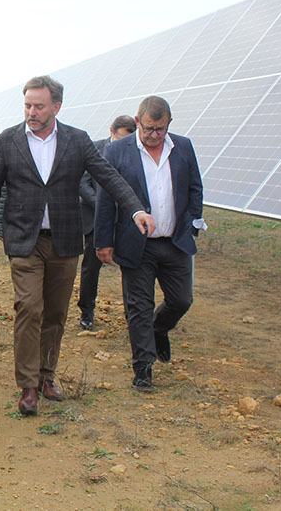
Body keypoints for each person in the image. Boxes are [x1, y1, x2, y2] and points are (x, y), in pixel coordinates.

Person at [0, 75, 154, 416]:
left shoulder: (77, 140)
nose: (31, 111)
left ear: (56, 106)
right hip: (24, 240)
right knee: (29, 308)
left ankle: (46, 375)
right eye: (27, 105)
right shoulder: (8, 139)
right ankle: (28, 386)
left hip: (65, 241)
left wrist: (135, 209)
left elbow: (108, 177)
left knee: (56, 313)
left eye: (39, 106)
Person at [95, 96, 204, 392]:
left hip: (175, 242)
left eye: (160, 129)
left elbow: (195, 188)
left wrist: (192, 223)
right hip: (135, 243)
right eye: (148, 129)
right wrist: (103, 241)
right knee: (138, 307)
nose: (154, 135)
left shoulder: (183, 147)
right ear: (138, 122)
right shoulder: (117, 151)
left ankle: (160, 328)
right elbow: (106, 199)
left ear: (169, 123)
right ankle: (143, 367)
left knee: (181, 300)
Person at [77, 115, 136, 330]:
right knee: (91, 267)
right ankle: (87, 311)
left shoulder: (136, 151)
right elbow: (82, 183)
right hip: (96, 218)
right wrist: (104, 206)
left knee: (131, 267)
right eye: (119, 138)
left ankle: (133, 314)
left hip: (125, 219)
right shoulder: (94, 148)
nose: (122, 144)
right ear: (111, 130)